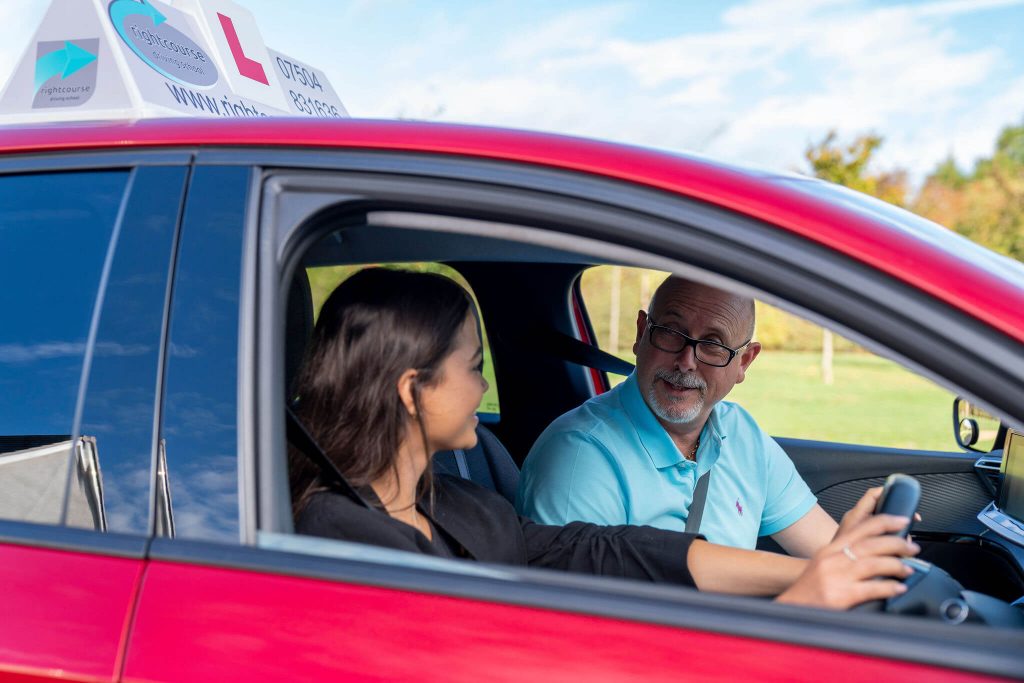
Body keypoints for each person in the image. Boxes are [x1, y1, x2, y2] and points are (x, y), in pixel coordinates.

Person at [289, 267, 917, 609]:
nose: (485, 389)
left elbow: (612, 553)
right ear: (411, 390)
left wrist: (824, 569)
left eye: (715, 346)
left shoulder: (457, 505)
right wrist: (800, 607)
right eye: (475, 366)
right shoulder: (344, 543)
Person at [517, 275, 837, 555]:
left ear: (744, 363)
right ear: (642, 333)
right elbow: (574, 615)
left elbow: (835, 554)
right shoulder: (580, 456)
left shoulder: (743, 436)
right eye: (671, 332)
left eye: (713, 344)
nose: (686, 361)